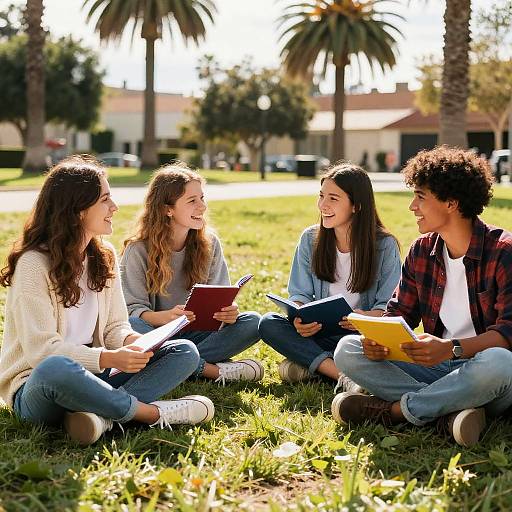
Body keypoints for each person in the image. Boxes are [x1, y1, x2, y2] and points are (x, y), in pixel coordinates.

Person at [0, 156, 215, 446]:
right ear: (76, 209)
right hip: (38, 388)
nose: (114, 207)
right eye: (105, 199)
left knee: (183, 352)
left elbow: (116, 327)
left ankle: (100, 416)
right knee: (57, 367)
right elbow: (42, 352)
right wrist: (108, 358)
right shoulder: (33, 264)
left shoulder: (104, 256)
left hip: (97, 375)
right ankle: (149, 414)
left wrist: (136, 343)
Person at [333, 146, 512, 447]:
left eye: (420, 197)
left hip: (486, 373)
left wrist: (450, 349)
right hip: (438, 369)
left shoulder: (504, 252)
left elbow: (508, 334)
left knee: (500, 361)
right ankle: (448, 412)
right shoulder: (422, 251)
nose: (412, 206)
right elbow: (399, 314)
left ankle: (397, 411)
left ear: (452, 203)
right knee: (347, 350)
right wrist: (379, 342)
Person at [258, 163, 401, 389]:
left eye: (333, 198)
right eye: (321, 196)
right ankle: (341, 375)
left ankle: (312, 365)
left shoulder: (384, 246)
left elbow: (389, 308)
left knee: (357, 347)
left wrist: (363, 318)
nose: (322, 205)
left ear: (357, 205)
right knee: (268, 323)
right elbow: (301, 294)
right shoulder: (310, 239)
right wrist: (299, 319)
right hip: (319, 333)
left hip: (359, 339)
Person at [121, 163, 263, 385]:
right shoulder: (138, 249)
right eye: (192, 201)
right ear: (167, 209)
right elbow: (131, 312)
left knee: (253, 321)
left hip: (198, 334)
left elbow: (219, 295)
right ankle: (209, 370)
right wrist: (166, 317)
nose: (202, 207)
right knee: (133, 327)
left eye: (202, 199)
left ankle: (178, 363)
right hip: (157, 334)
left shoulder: (209, 243)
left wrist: (228, 315)